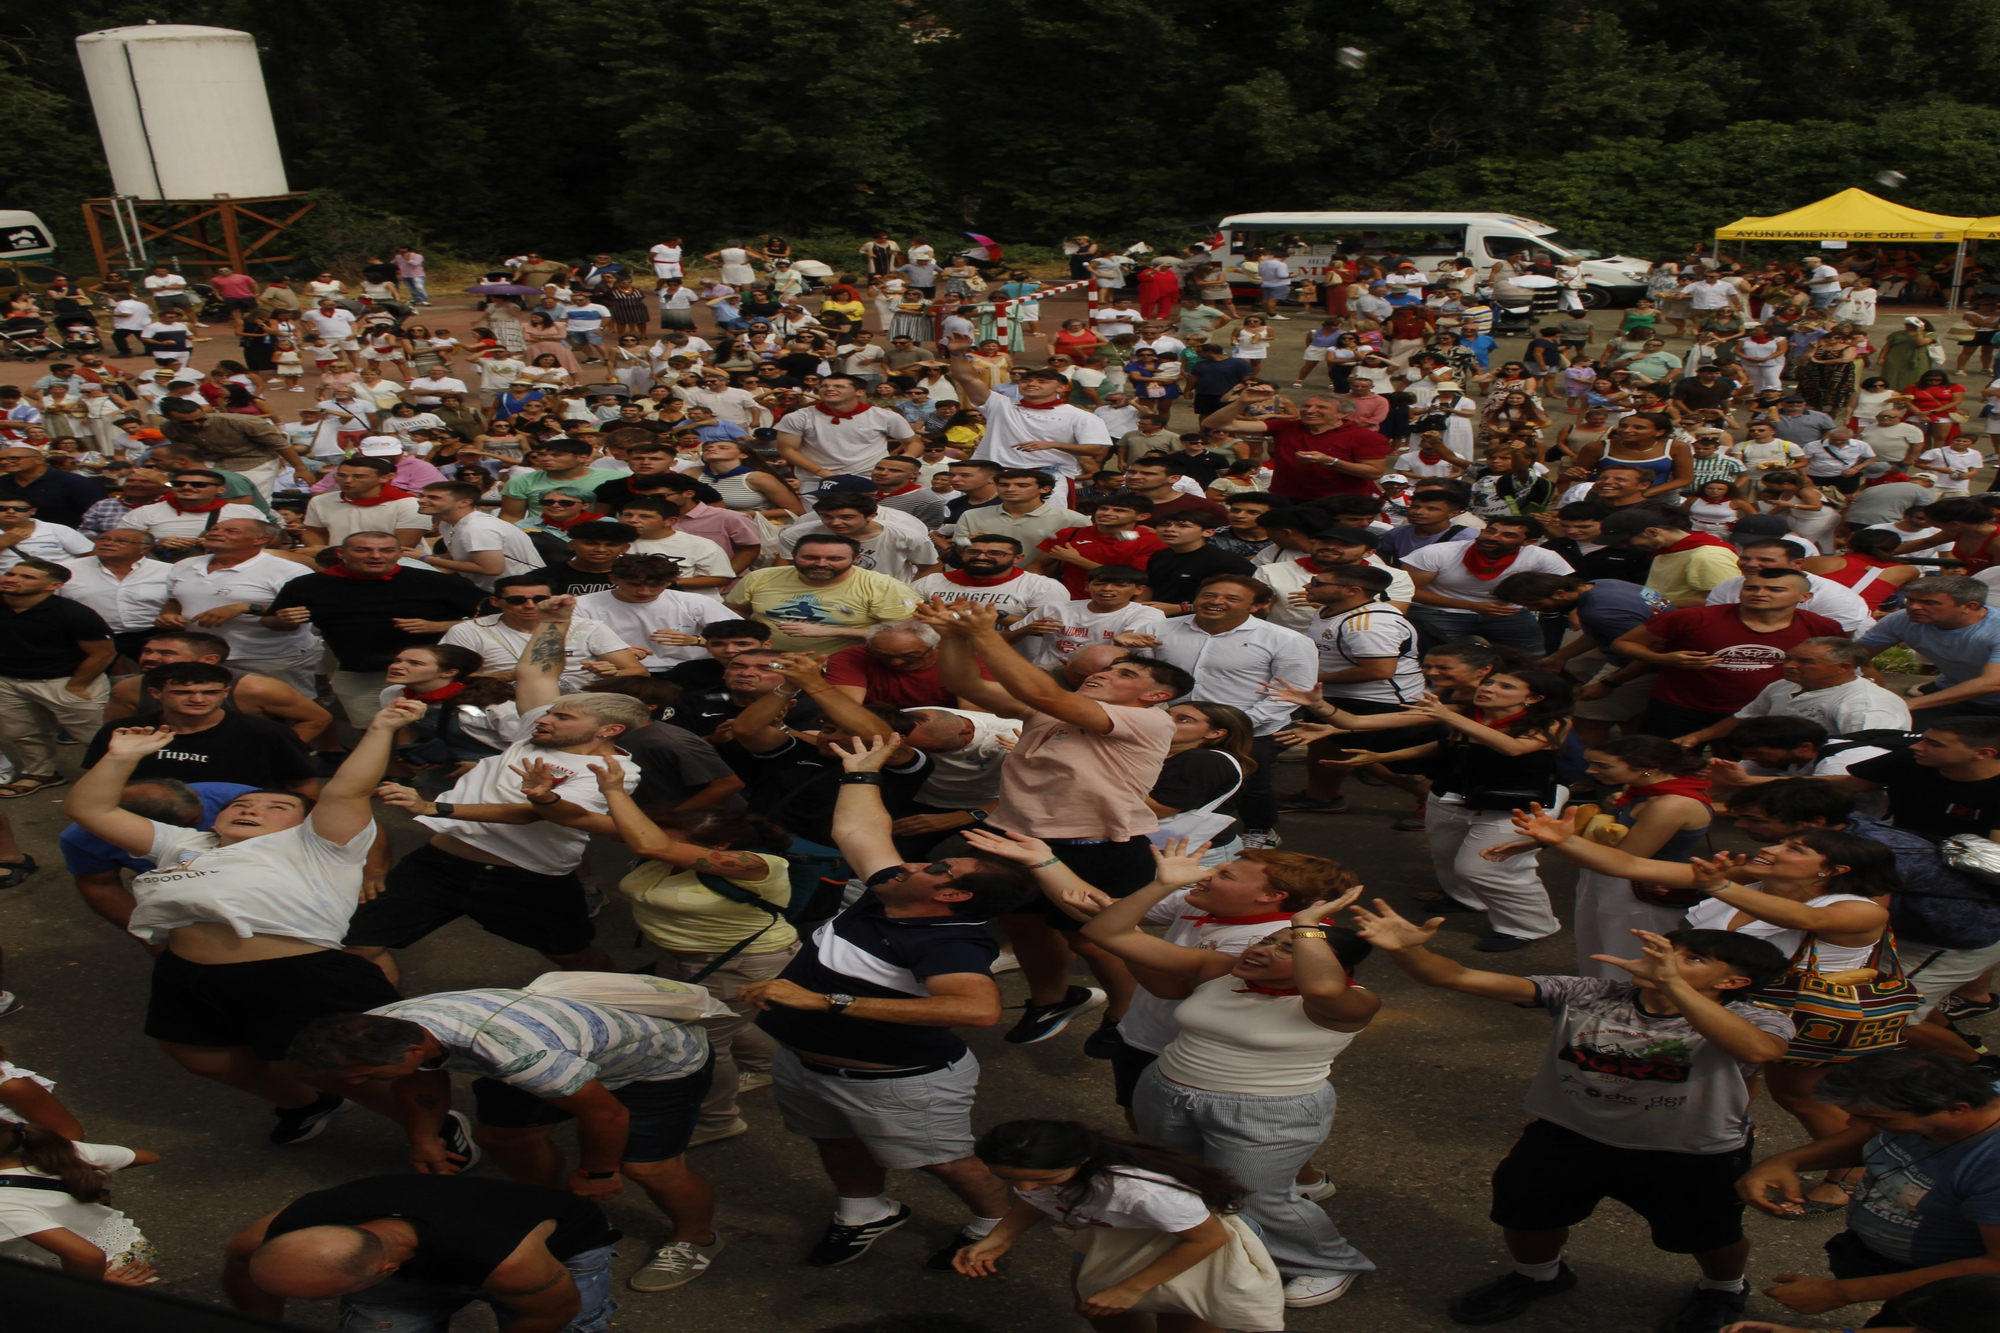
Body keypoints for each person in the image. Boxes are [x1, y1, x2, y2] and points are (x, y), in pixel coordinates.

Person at [1351, 901, 1793, 1331]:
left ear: (1734, 983)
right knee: (1525, 1212)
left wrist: (1673, 985)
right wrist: (1406, 949)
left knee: (1708, 1234)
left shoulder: (1755, 1018)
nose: (1665, 958)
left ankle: (1722, 1289)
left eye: (1691, 959)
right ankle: (1539, 1276)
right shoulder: (1590, 993)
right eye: (1668, 948)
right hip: (1568, 1135)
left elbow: (1757, 1050)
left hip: (1689, 1152)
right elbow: (1457, 976)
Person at [62, 699, 424, 1143]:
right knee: (199, 1055)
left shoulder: (319, 845)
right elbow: (91, 810)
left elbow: (345, 790)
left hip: (298, 974)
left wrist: (382, 726)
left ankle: (430, 1128)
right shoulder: (186, 843)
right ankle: (305, 1105)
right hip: (187, 974)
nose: (251, 808)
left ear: (305, 823)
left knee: (359, 1064)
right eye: (242, 803)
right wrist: (120, 758)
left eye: (276, 806)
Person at [735, 734, 1034, 1269]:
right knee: (833, 1137)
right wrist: (861, 772)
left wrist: (826, 1002)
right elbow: (857, 829)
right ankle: (864, 1210)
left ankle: (993, 1226)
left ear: (951, 897)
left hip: (897, 1083)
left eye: (940, 870)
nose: (916, 865)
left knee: (944, 1161)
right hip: (806, 1065)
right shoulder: (893, 892)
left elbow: (978, 1010)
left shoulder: (947, 942)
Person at [1055, 837, 1375, 1308]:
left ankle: (1325, 1262)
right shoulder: (1221, 969)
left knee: (1255, 1197)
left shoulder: (1347, 1003)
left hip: (1266, 1112)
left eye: (1288, 948)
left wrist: (1304, 925)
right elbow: (1110, 934)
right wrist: (1161, 885)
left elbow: (1323, 987)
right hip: (1166, 1091)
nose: (1265, 950)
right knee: (1175, 1179)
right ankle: (1198, 1243)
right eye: (1268, 939)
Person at [287, 962, 722, 1294]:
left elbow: (607, 1115)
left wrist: (598, 1172)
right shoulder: (387, 1024)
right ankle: (554, 1213)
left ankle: (696, 1239)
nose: (358, 1086)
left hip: (655, 1066)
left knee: (649, 1168)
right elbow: (422, 1071)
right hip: (557, 1056)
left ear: (411, 1048)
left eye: (363, 1075)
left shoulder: (518, 1056)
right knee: (503, 1137)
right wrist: (424, 1137)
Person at [922, 598, 1187, 1048]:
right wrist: (953, 637)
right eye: (1102, 669)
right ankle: (1051, 999)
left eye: (1126, 673)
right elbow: (962, 682)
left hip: (1098, 846)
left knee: (1094, 940)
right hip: (1016, 836)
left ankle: (1126, 1017)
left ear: (1156, 695)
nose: (1102, 674)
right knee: (1023, 926)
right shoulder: (1051, 709)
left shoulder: (1148, 721)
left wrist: (984, 632)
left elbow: (1044, 693)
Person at [345, 601, 648, 977]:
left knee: (574, 958)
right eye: (549, 712)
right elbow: (536, 672)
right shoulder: (535, 733)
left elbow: (530, 813)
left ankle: (621, 1006)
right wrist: (553, 622)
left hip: (527, 881)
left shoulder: (613, 771)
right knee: (358, 945)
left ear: (609, 730)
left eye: (562, 717)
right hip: (437, 866)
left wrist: (434, 808)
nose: (544, 717)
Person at [1736, 1051, 2000, 1323]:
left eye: (1877, 1118)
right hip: (1885, 1260)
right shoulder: (1942, 1107)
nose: (1851, 1124)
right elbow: (1869, 1134)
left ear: (1957, 1110)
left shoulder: (1992, 1163)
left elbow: (1996, 1265)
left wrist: (1842, 1293)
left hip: (1945, 1292)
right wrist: (1786, 1161)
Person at [955, 1118, 1286, 1333]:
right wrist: (999, 1237)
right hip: (1113, 1241)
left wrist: (1130, 1288)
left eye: (1043, 1180)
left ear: (1081, 1162)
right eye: (1008, 1179)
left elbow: (1208, 1239)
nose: (1024, 1188)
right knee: (1101, 1311)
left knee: (1182, 1321)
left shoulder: (1143, 1191)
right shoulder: (1039, 1173)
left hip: (1186, 1248)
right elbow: (1034, 1199)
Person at [224, 1175, 622, 1332]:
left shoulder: (508, 1261)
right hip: (451, 1245)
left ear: (386, 1270)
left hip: (555, 1254)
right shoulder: (273, 1233)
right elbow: (245, 1269)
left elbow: (553, 1310)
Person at [1132, 574, 1316, 846]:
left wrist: (1239, 723)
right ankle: (1172, 836)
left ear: (1255, 606)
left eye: (1232, 598)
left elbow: (1292, 692)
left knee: (1251, 784)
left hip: (1253, 728)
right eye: (1209, 595)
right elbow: (1142, 676)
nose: (1216, 602)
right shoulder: (1158, 630)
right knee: (1168, 778)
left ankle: (1260, 831)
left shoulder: (1286, 640)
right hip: (1175, 725)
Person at [1612, 570, 1845, 744]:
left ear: (1804, 596)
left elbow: (1841, 664)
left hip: (1761, 712)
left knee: (1746, 768)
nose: (1760, 594)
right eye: (1752, 588)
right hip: (1680, 708)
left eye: (1775, 589)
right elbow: (1623, 643)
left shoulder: (1822, 627)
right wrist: (1666, 659)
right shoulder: (1692, 618)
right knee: (1662, 763)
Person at [80, 663, 319, 792]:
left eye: (210, 692)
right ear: (155, 694)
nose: (198, 699)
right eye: (182, 692)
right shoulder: (123, 732)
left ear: (225, 692)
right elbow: (97, 785)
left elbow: (302, 785)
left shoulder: (267, 732)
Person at [156, 517, 319, 693]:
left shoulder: (289, 571)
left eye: (230, 531)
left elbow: (304, 614)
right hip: (201, 656)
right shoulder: (185, 565)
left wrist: (246, 607)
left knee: (293, 709)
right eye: (214, 529)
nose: (216, 533)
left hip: (267, 657)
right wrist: (168, 615)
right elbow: (173, 600)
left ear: (261, 539)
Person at [0, 557, 116, 798]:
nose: (12, 580)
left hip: (65, 681)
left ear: (53, 586)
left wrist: (77, 686)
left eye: (26, 577)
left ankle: (128, 780)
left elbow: (103, 654)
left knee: (95, 736)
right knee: (23, 733)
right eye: (11, 574)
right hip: (9, 682)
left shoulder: (73, 613)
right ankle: (41, 774)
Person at [0, 1121, 160, 1285]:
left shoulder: (3, 1204)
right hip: (130, 1245)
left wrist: (93, 1289)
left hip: (99, 1269)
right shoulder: (54, 1150)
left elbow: (88, 1257)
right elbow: (149, 1157)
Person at [1401, 514, 1573, 653]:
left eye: (1508, 535)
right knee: (1437, 656)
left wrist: (1574, 610)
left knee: (1532, 657)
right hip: (1440, 611)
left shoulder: (1544, 557)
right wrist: (1472, 606)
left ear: (1529, 542)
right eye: (1490, 531)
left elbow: (1567, 587)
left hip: (1508, 611)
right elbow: (1408, 591)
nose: (1493, 537)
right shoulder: (1437, 553)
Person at [725, 533, 919, 652]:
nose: (821, 564)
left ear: (855, 559)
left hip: (841, 667)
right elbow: (735, 610)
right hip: (766, 661)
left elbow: (907, 633)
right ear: (793, 556)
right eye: (810, 557)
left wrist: (832, 631)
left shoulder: (883, 586)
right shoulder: (761, 577)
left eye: (834, 558)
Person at [1858, 576, 2000, 721]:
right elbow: (1854, 656)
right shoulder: (1901, 620)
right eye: (1910, 600)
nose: (1914, 607)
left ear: (1969, 607)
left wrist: (1906, 704)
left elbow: (1992, 682)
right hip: (1952, 695)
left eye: (1930, 603)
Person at [414, 482, 542, 589]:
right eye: (422, 496)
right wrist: (417, 557)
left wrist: (425, 558)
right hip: (497, 589)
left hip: (523, 592)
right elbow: (465, 556)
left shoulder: (477, 528)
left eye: (433, 497)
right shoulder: (447, 524)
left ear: (464, 502)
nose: (421, 500)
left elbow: (492, 569)